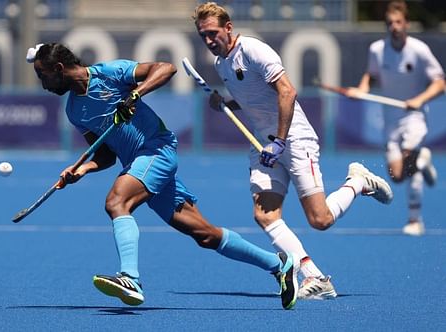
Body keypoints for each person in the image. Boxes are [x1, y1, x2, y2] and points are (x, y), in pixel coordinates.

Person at [26, 42, 299, 309]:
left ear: (59, 68)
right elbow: (106, 155)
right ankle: (280, 265)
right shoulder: (74, 110)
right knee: (205, 235)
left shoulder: (109, 73)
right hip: (138, 164)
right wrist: (82, 169)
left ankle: (130, 278)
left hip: (157, 150)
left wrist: (134, 95)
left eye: (43, 75)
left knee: (116, 203)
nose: (43, 84)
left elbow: (165, 68)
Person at [192, 2, 394, 300]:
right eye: (202, 36)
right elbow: (252, 98)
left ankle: (358, 182)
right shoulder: (222, 63)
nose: (209, 41)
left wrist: (281, 141)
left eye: (212, 33)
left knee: (320, 220)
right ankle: (313, 275)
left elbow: (287, 91)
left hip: (293, 139)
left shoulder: (253, 50)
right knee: (265, 215)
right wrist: (226, 102)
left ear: (228, 28)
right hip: (263, 145)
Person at [347, 1, 445, 236]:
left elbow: (440, 82)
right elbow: (371, 75)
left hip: (414, 117)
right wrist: (361, 89)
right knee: (398, 176)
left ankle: (414, 219)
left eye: (398, 22)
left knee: (411, 161)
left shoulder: (419, 50)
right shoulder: (377, 50)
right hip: (390, 121)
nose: (394, 27)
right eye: (390, 23)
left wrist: (420, 99)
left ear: (407, 24)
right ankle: (424, 159)